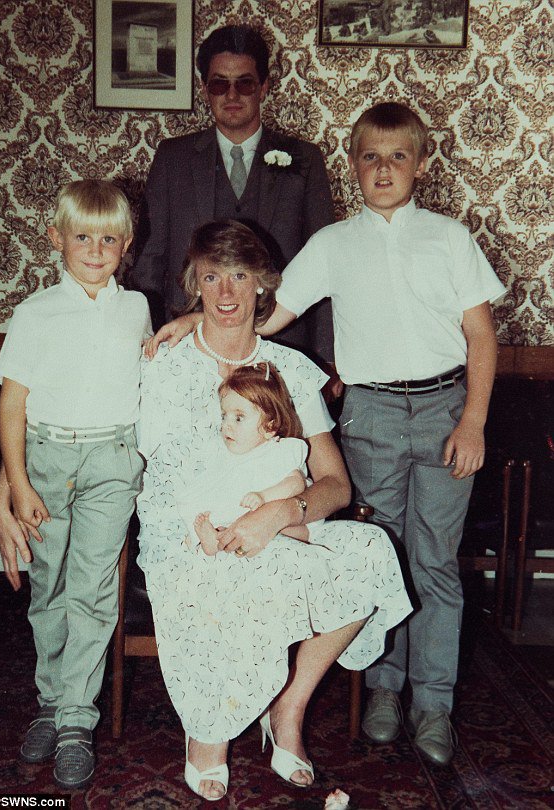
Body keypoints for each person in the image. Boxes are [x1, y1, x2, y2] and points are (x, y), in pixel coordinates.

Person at [258, 102, 507, 765]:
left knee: (434, 561)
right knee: (381, 558)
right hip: (368, 416)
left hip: (445, 412)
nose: (385, 167)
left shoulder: (450, 238)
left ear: (423, 164)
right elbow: (268, 319)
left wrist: (474, 421)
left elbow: (481, 336)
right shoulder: (334, 244)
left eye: (399, 155)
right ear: (354, 166)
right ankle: (385, 692)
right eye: (371, 156)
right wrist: (195, 326)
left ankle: (433, 703)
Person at [137, 219, 411, 801]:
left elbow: (335, 484)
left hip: (277, 518)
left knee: (370, 552)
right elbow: (162, 477)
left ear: (264, 283)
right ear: (194, 283)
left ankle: (287, 709)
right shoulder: (168, 363)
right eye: (212, 277)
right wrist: (222, 524)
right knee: (230, 570)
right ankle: (206, 733)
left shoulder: (288, 369)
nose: (228, 293)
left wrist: (281, 511)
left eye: (240, 276)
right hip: (191, 524)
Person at [0, 180, 150, 790]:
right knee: (48, 586)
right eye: (82, 236)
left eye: (108, 239)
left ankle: (77, 720)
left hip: (112, 460)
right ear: (56, 238)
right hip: (48, 461)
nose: (94, 249)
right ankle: (50, 704)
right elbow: (12, 407)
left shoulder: (137, 308)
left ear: (126, 246)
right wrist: (19, 484)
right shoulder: (35, 315)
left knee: (92, 590)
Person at [131, 23, 335, 360]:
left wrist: (326, 357)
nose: (232, 95)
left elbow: (326, 264)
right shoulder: (172, 158)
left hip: (283, 345)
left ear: (264, 86)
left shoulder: (304, 159)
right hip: (186, 343)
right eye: (219, 84)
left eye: (244, 82)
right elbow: (148, 265)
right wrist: (153, 342)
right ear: (204, 88)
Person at [179, 363, 312, 555]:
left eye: (239, 418)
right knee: (207, 505)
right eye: (225, 416)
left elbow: (296, 483)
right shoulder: (229, 453)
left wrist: (263, 496)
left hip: (284, 517)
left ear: (270, 427)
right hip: (247, 518)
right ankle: (216, 538)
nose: (226, 426)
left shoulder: (278, 451)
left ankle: (219, 539)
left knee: (291, 531)